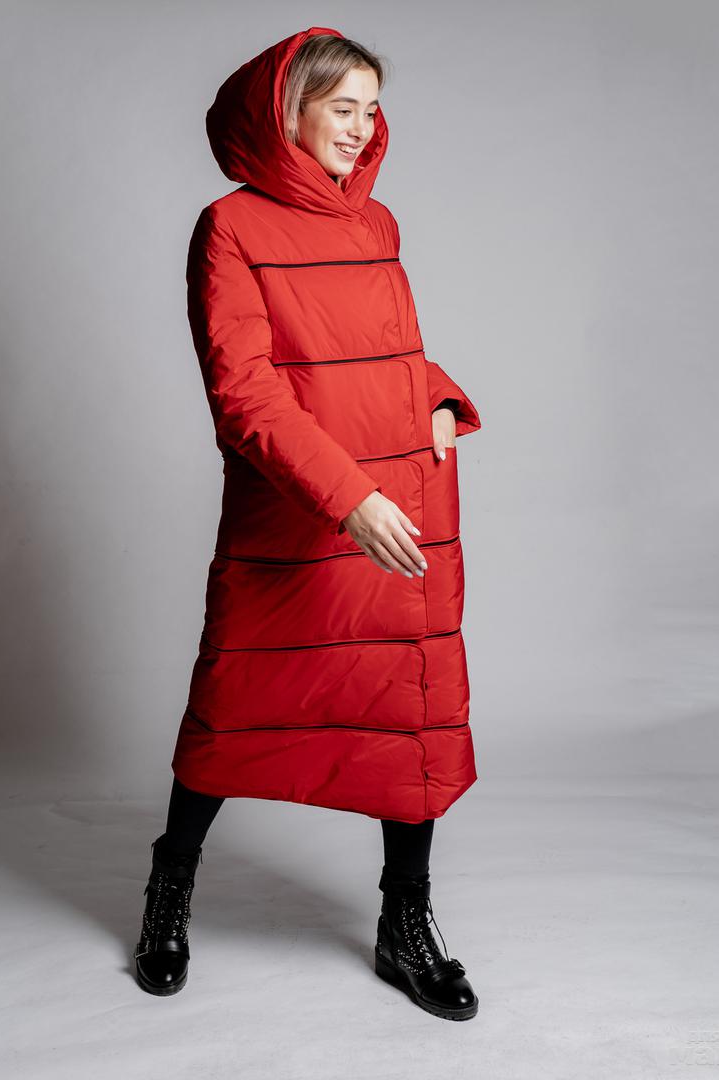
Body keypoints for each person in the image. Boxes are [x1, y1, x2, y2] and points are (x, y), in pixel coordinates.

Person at [133, 27, 483, 1022]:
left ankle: (405, 918)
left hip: (405, 499)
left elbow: (392, 351)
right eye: (343, 107)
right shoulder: (229, 227)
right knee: (236, 701)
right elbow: (244, 393)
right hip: (303, 505)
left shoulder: (376, 222)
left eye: (372, 109)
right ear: (288, 112)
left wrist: (438, 400)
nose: (362, 127)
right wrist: (344, 495)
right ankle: (170, 883)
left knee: (408, 708)